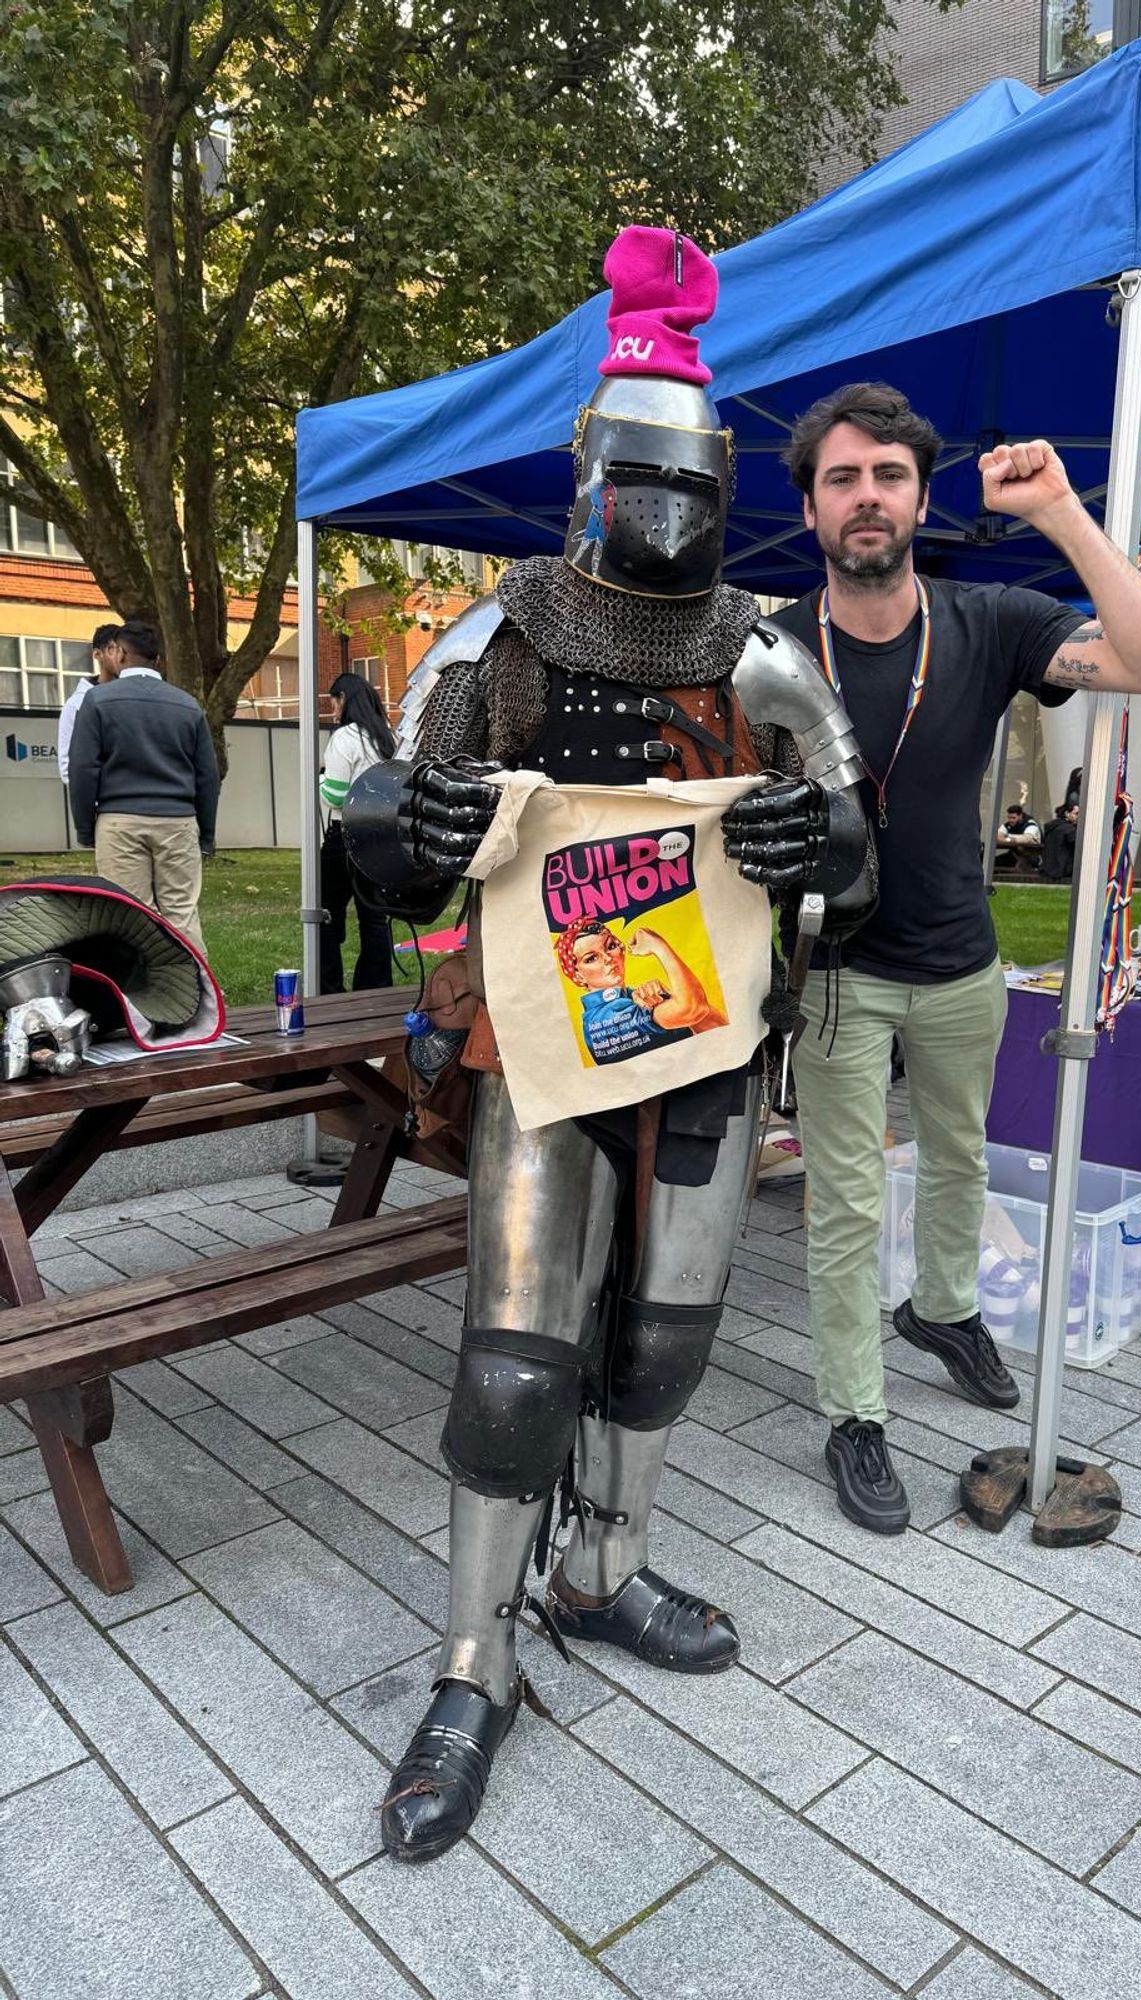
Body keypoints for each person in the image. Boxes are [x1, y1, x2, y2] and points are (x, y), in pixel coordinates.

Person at [339, 226, 875, 1862]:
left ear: (721, 493)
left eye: (683, 487)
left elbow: (848, 842)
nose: (656, 516)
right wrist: (407, 823)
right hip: (546, 1063)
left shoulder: (770, 653)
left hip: (710, 1053)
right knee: (517, 1363)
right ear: (587, 476)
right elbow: (383, 823)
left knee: (664, 1339)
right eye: (632, 482)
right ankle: (471, 1658)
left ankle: (603, 1565)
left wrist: (815, 850)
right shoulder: (489, 645)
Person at [771, 381, 1141, 1534]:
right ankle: (855, 1412)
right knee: (849, 1203)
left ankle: (945, 1309)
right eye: (843, 478)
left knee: (964, 1159)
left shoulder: (990, 620)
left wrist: (1062, 511)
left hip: (963, 961)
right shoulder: (762, 642)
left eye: (890, 476)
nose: (868, 498)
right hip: (835, 969)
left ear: (921, 496)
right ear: (810, 505)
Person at [67, 621, 219, 957]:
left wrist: (85, 827)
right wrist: (205, 834)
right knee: (182, 915)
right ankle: (199, 998)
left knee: (132, 917)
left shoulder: (97, 701)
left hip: (119, 821)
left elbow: (82, 769)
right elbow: (207, 775)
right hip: (178, 821)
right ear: (158, 659)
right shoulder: (187, 705)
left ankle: (140, 1003)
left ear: (119, 653)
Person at [555, 917, 726, 1062]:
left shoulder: (634, 996)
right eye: (591, 958)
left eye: (610, 946)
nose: (608, 958)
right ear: (578, 976)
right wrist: (659, 946)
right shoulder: (601, 1019)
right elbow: (693, 1009)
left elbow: (718, 1028)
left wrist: (669, 997)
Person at [319, 672, 395, 991]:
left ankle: (329, 986)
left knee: (326, 914)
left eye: (333, 701)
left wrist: (319, 779)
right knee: (375, 918)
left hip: (345, 834)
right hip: (381, 838)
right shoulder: (388, 737)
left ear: (344, 699)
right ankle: (375, 988)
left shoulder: (344, 739)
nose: (332, 709)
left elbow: (334, 795)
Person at [57, 623, 120, 787]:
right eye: (113, 649)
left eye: (123, 650)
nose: (120, 656)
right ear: (97, 654)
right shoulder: (76, 705)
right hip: (104, 806)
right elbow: (67, 767)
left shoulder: (134, 697)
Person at [993, 802, 1042, 872]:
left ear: (1020, 816)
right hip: (1014, 855)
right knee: (994, 862)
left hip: (1030, 857)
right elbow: (997, 836)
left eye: (1013, 818)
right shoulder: (1008, 825)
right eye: (1009, 818)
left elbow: (1027, 839)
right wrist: (1011, 839)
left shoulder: (1031, 825)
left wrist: (1008, 838)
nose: (1011, 820)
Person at [1040, 801, 1079, 882]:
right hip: (1063, 870)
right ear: (1067, 814)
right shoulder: (1069, 829)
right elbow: (1078, 847)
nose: (1079, 817)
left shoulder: (1052, 827)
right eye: (1076, 813)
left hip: (1048, 869)